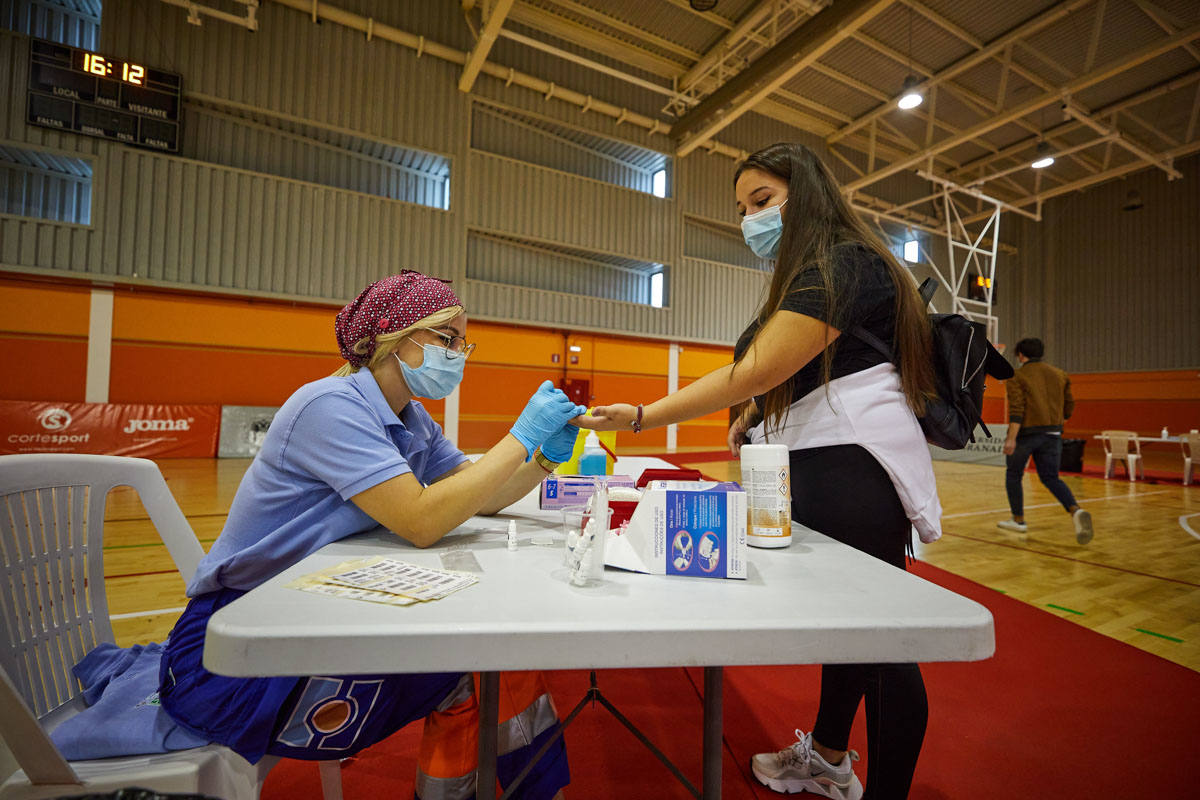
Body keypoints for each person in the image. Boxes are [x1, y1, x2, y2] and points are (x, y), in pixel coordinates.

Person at [579, 142, 940, 800]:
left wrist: (643, 415)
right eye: (743, 208)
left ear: (807, 196)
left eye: (763, 201)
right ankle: (828, 757)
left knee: (883, 642)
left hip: (855, 467)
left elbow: (757, 368)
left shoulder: (845, 263)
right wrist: (753, 412)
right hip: (817, 463)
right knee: (851, 629)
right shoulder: (811, 271)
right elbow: (791, 373)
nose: (749, 219)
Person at [158, 270, 584, 800]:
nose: (459, 354)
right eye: (447, 339)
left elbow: (480, 495)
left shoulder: (411, 418)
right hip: (234, 655)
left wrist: (542, 457)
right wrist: (520, 435)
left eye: (463, 343)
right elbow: (422, 521)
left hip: (306, 619)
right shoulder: (328, 407)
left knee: (491, 665)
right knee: (477, 673)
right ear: (395, 338)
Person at [997, 337, 1093, 544]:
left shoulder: (1017, 376)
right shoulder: (1060, 374)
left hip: (1026, 435)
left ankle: (1018, 520)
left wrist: (1011, 438)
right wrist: (1057, 421)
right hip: (1053, 434)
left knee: (1013, 475)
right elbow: (1069, 406)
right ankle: (1075, 510)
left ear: (1020, 355)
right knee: (1050, 477)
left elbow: (1017, 410)